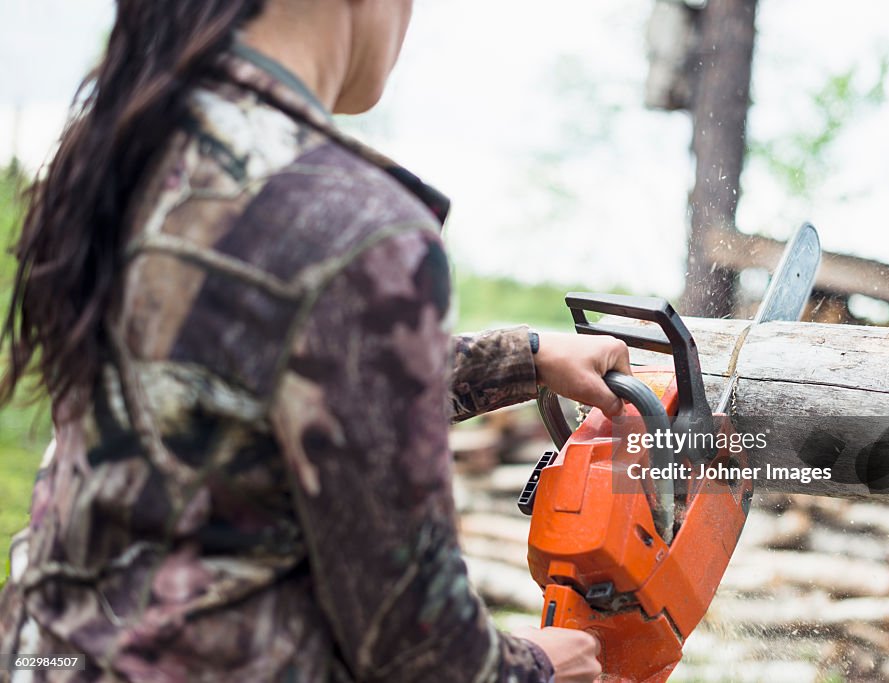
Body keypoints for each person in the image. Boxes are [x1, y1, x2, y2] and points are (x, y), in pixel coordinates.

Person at [0, 1, 634, 681]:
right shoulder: (355, 222)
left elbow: (262, 371)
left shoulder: (135, 144)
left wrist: (527, 357)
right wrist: (535, 667)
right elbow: (417, 647)